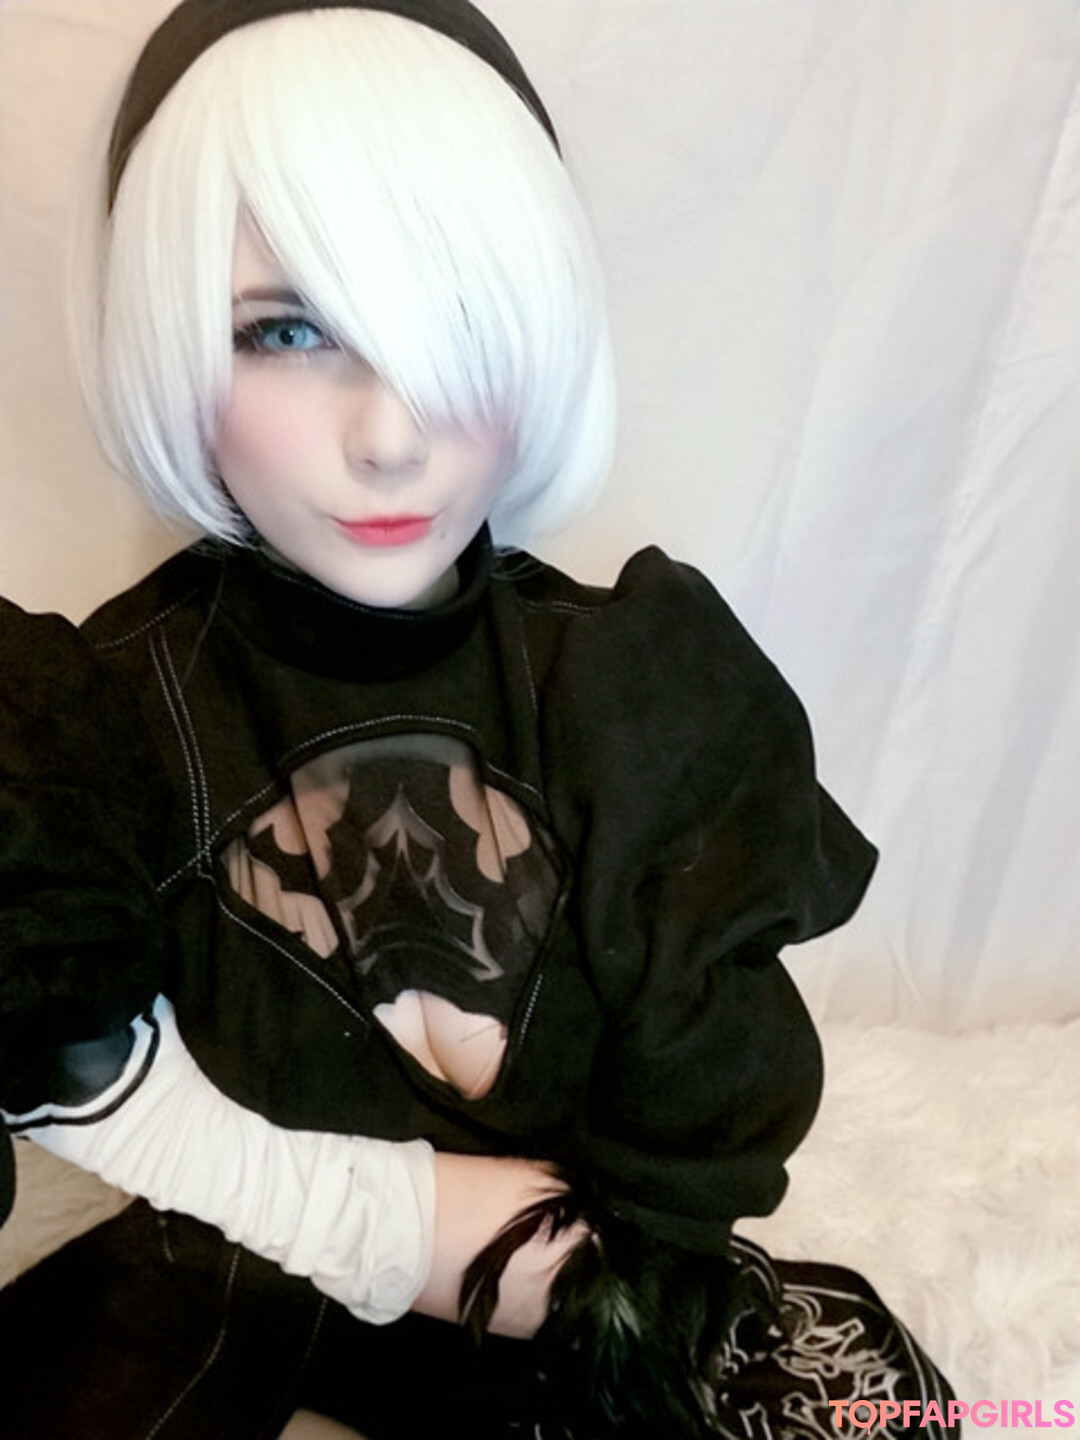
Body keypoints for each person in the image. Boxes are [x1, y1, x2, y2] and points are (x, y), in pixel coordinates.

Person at [0, 2, 955, 1436]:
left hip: (570, 1327)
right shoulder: (95, 724)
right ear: (167, 338)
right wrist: (363, 1215)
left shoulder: (640, 698)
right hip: (237, 1287)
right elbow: (69, 1074)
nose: (390, 435)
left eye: (450, 321)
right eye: (287, 329)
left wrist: (603, 1284)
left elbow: (672, 1197)